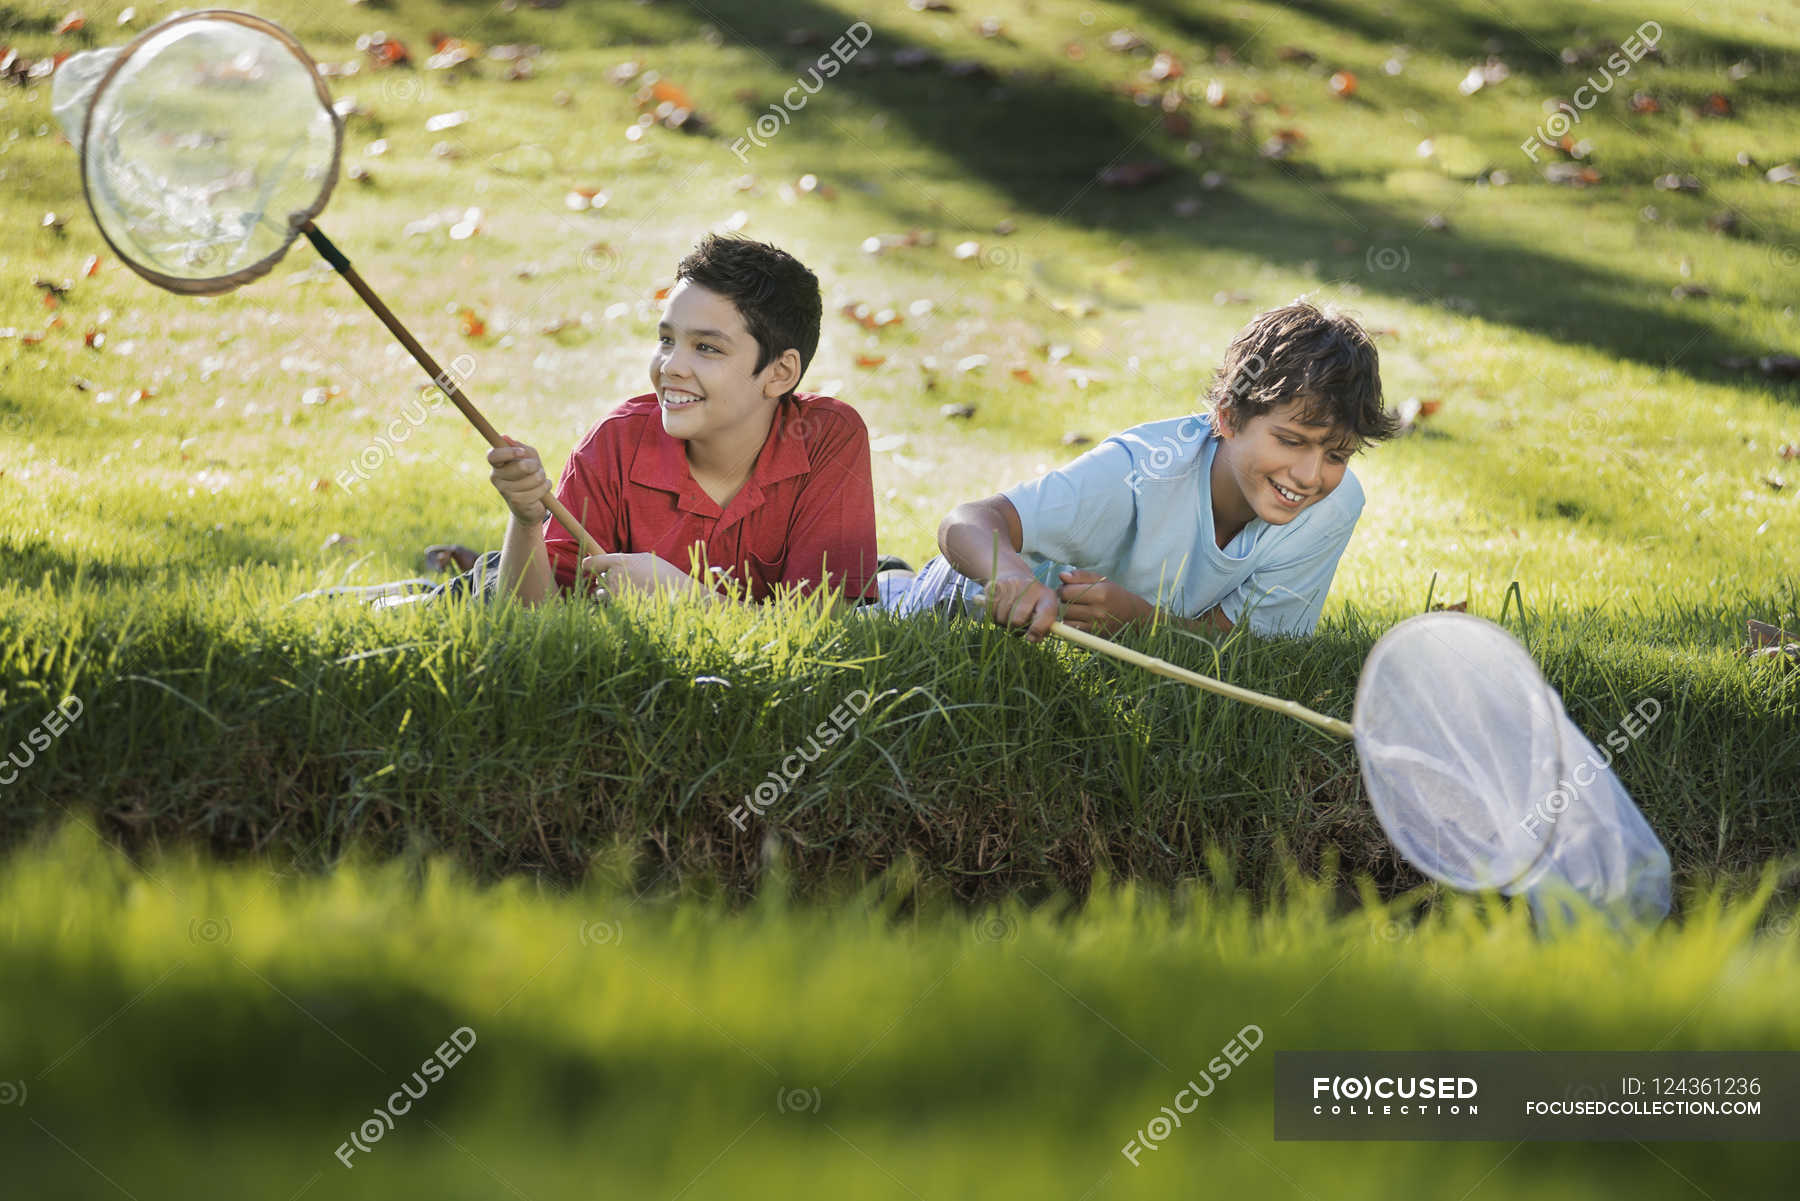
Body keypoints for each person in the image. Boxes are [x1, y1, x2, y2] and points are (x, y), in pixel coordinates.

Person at [881, 301, 1398, 639]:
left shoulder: (1332, 503)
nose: (1311, 475)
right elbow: (968, 520)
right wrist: (1013, 577)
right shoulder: (1140, 471)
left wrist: (1142, 622)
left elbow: (1244, 646)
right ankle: (887, 583)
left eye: (1336, 453)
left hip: (1084, 640)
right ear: (1227, 417)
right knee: (854, 608)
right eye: (1291, 441)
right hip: (959, 608)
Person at [487, 235, 879, 607]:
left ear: (779, 373)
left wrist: (683, 598)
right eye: (667, 340)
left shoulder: (827, 436)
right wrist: (525, 521)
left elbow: (821, 630)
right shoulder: (612, 443)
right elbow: (533, 620)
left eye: (707, 348)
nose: (671, 367)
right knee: (476, 582)